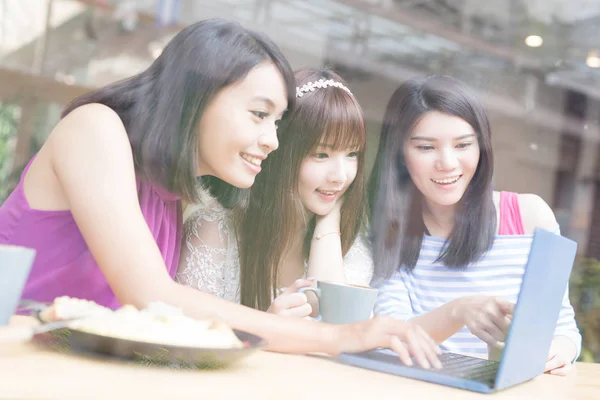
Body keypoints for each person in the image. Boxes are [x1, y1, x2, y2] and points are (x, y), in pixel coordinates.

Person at [0, 18, 440, 367]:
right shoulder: (95, 128)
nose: (273, 140)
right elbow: (151, 295)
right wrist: (340, 335)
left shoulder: (170, 192)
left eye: (277, 122)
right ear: (197, 97)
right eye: (258, 114)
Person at [368, 75, 581, 375]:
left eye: (463, 145)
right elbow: (391, 339)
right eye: (426, 147)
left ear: (481, 148)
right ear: (400, 154)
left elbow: (562, 326)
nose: (447, 163)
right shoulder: (391, 229)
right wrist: (458, 311)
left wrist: (557, 352)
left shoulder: (530, 216)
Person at [177, 68, 373, 317]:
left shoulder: (349, 250)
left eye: (352, 154)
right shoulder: (214, 232)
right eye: (321, 154)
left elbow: (340, 336)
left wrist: (328, 228)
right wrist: (266, 328)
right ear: (280, 153)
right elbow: (182, 345)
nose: (340, 176)